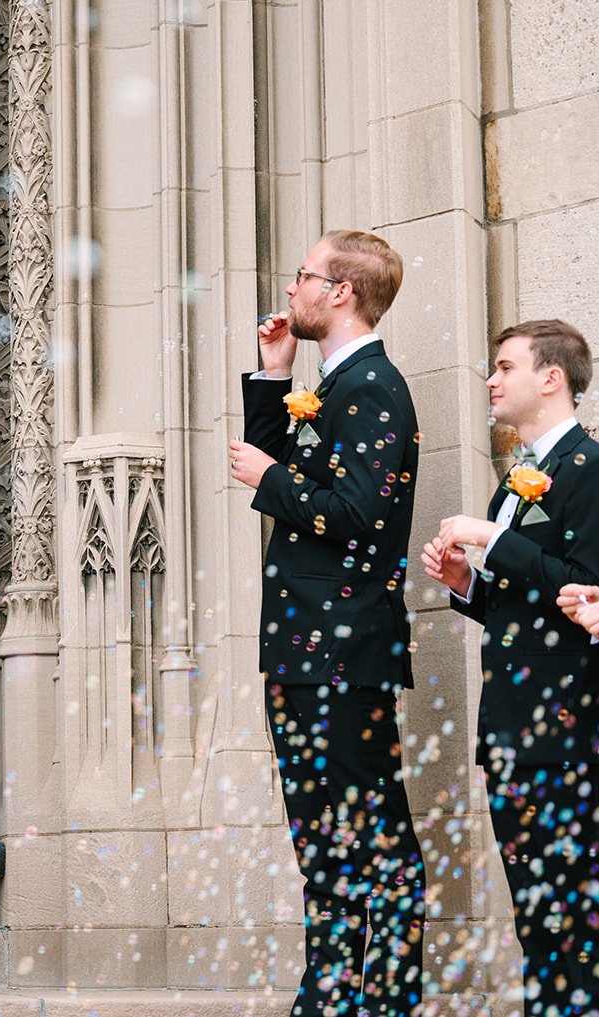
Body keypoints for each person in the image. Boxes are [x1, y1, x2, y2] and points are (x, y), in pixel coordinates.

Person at [227, 232, 424, 1014]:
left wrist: (272, 475)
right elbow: (291, 480)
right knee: (319, 830)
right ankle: (332, 988)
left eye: (305, 275)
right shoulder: (330, 382)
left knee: (372, 825)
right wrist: (275, 379)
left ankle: (394, 992)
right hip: (306, 647)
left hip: (344, 647)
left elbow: (359, 514)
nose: (293, 287)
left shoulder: (375, 386)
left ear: (340, 290)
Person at [422, 319, 599, 1015]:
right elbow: (517, 609)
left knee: (569, 919)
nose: (490, 380)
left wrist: (494, 539)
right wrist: (467, 581)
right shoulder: (515, 483)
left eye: (504, 366)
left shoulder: (589, 470)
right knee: (537, 921)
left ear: (550, 377)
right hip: (512, 734)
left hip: (566, 734)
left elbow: (583, 586)